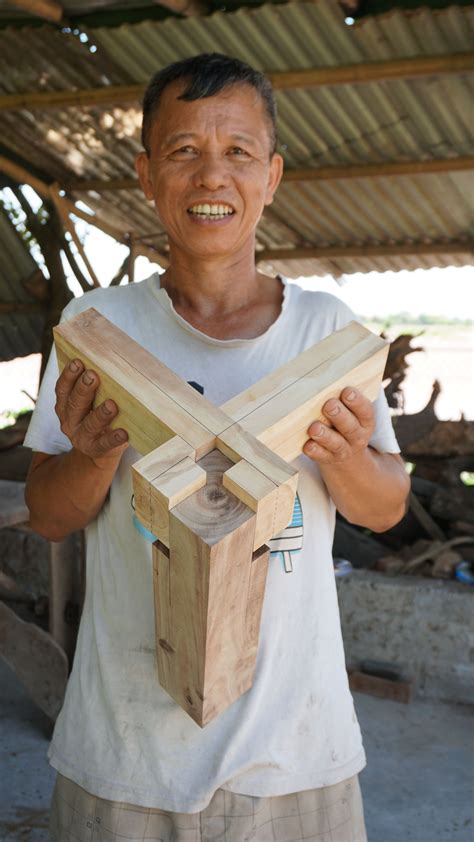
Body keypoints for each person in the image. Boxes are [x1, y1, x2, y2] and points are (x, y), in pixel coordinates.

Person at [25, 53, 409, 842]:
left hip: (296, 756)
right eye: (183, 151)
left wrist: (342, 456)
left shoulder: (326, 334)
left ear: (271, 177)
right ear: (145, 173)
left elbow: (386, 506)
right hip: (125, 759)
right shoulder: (99, 331)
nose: (211, 177)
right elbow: (48, 515)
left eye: (237, 152)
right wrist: (95, 455)